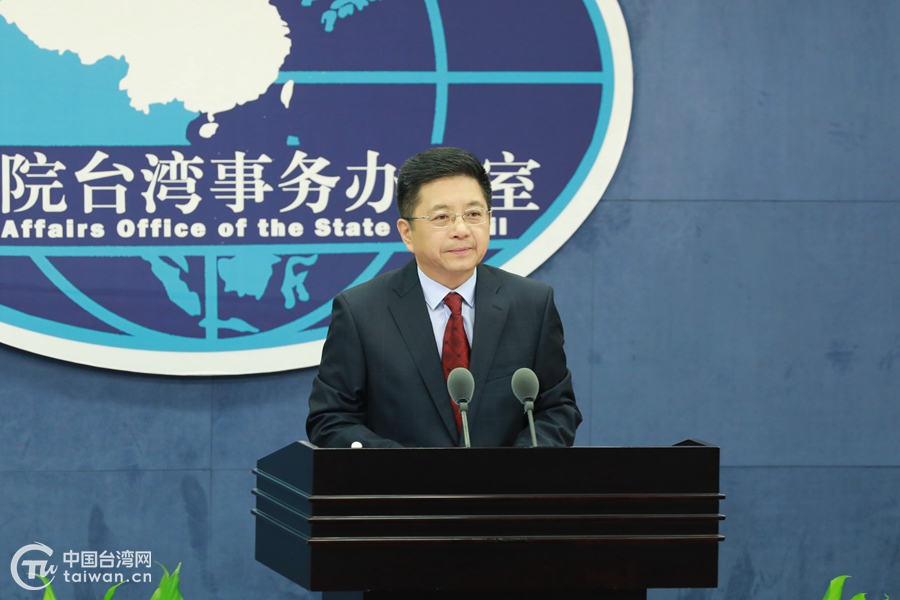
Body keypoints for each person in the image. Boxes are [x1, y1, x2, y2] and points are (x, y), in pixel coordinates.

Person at [306, 147, 581, 448]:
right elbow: (331, 419)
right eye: (441, 217)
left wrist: (514, 467)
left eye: (473, 214)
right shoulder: (361, 312)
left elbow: (557, 408)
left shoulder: (532, 304)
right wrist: (403, 467)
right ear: (407, 233)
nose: (461, 230)